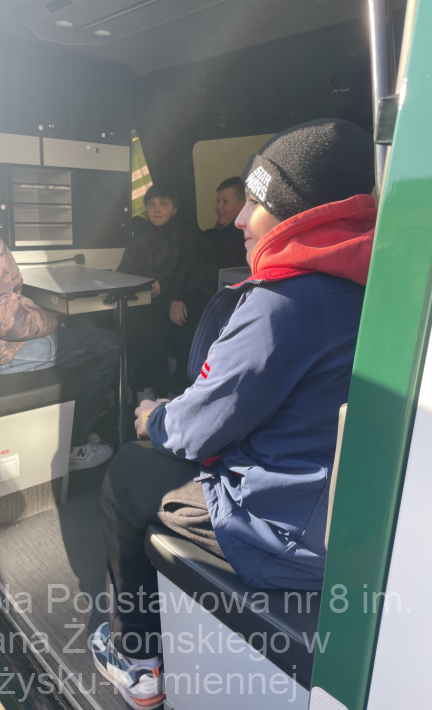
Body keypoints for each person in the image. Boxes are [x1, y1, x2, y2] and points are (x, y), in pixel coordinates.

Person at [90, 119, 377, 709]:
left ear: (296, 215)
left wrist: (153, 417)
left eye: (253, 202)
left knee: (129, 471)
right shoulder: (367, 284)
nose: (241, 219)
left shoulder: (282, 304)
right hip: (340, 518)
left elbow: (196, 430)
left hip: (281, 531)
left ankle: (137, 660)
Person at [0, 143, 120, 470]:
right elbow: (7, 321)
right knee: (108, 343)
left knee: (87, 329)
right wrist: (51, 319)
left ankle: (72, 421)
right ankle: (75, 444)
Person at [164, 177, 247, 395]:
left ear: (242, 204)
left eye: (225, 201)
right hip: (190, 307)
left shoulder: (246, 241)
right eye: (217, 201)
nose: (218, 207)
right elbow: (183, 268)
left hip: (219, 312)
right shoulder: (206, 237)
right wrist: (176, 298)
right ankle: (170, 396)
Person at [117, 182, 199, 401]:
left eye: (163, 204)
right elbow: (124, 269)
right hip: (137, 299)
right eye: (151, 204)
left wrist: (166, 288)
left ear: (175, 208)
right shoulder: (139, 237)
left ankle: (155, 393)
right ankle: (140, 388)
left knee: (147, 331)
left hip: (170, 300)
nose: (156, 209)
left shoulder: (186, 235)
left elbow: (188, 272)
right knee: (125, 329)